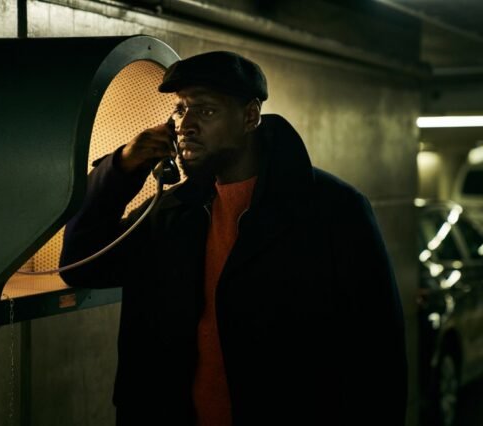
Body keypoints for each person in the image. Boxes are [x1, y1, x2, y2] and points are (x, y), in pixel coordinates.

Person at [60, 51, 407, 426]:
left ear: (250, 117)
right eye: (180, 109)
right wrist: (123, 167)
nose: (185, 125)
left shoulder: (333, 211)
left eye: (206, 111)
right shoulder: (171, 213)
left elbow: (378, 354)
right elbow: (82, 264)